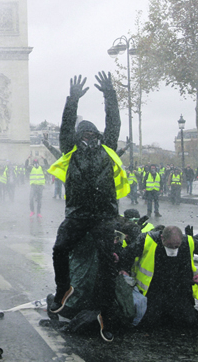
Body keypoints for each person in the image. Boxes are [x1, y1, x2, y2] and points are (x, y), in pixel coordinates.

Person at [46, 72, 126, 342]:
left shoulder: (109, 148)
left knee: (107, 267)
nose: (89, 136)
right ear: (78, 136)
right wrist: (72, 100)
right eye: (85, 133)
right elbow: (66, 127)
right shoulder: (70, 151)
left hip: (104, 216)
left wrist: (109, 94)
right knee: (59, 249)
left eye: (92, 133)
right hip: (78, 214)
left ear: (99, 135)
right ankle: (62, 290)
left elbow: (114, 121)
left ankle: (106, 313)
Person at [118, 225, 198, 328]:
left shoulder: (188, 241)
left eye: (177, 246)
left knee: (188, 323)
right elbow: (127, 254)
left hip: (179, 289)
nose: (173, 249)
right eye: (170, 245)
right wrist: (124, 269)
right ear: (162, 238)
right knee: (148, 324)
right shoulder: (147, 240)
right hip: (153, 289)